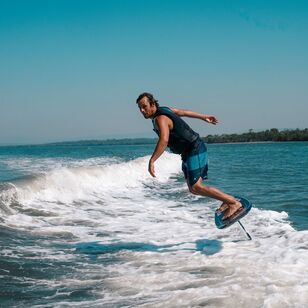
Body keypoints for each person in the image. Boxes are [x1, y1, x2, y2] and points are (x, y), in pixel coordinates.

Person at [136, 92, 242, 220]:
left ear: (152, 104)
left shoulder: (160, 118)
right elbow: (182, 112)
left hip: (194, 148)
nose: (142, 110)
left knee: (196, 186)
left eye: (144, 106)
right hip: (187, 152)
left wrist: (152, 160)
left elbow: (164, 140)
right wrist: (204, 117)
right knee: (193, 189)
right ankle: (227, 201)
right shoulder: (164, 110)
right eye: (140, 108)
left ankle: (233, 203)